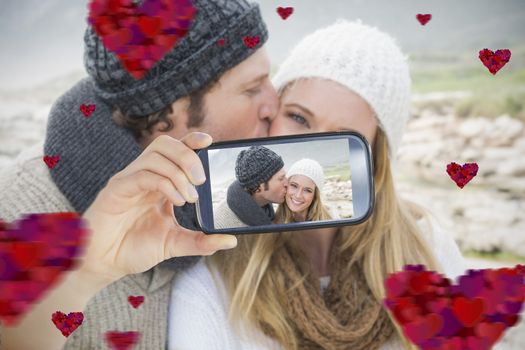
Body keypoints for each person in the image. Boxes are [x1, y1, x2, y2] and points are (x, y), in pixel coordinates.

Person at [167, 20, 467, 350]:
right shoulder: (213, 270)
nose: (309, 145)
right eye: (297, 117)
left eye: (341, 137)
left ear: (376, 160)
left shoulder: (428, 250)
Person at [0, 0, 278, 348]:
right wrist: (83, 273)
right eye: (252, 89)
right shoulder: (16, 214)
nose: (274, 105)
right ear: (170, 108)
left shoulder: (226, 201)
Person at [214, 146, 287, 229]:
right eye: (281, 179)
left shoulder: (265, 208)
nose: (287, 183)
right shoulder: (223, 225)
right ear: (259, 185)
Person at [274, 158, 331, 224]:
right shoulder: (272, 222)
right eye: (294, 186)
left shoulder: (330, 222)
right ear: (286, 185)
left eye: (307, 190)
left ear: (315, 196)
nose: (298, 195)